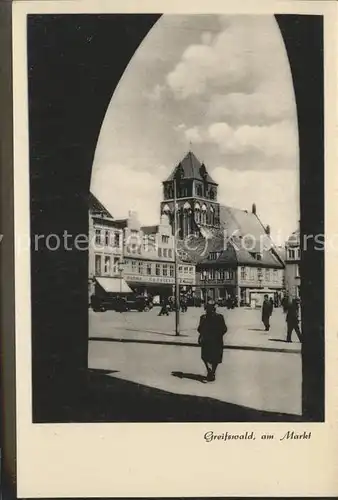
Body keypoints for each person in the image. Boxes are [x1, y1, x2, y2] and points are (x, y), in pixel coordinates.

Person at [197, 301, 228, 382]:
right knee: (216, 358)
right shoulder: (220, 317)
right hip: (217, 340)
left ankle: (209, 370)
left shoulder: (203, 317)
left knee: (205, 357)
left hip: (206, 340)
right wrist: (219, 335)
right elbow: (224, 329)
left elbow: (199, 329)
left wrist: (202, 335)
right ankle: (212, 372)